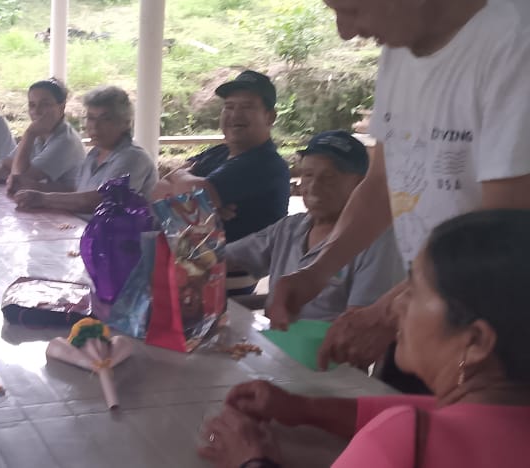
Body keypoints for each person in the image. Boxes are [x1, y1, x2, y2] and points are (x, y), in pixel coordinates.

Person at [266, 0, 530, 386]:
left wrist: (385, 313)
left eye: (351, 8)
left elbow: (502, 235)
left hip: (493, 341)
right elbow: (383, 182)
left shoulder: (516, 44)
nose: (345, 31)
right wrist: (317, 271)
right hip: (424, 313)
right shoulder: (401, 44)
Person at [198, 209, 530, 468]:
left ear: (475, 341)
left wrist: (251, 460)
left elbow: (409, 423)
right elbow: (423, 408)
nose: (395, 306)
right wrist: (303, 408)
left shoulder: (404, 439)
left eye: (413, 290)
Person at [224, 131, 404, 321]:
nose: (314, 186)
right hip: (276, 337)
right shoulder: (289, 228)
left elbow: (362, 324)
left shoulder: (377, 242)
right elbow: (223, 258)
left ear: (360, 185)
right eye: (308, 175)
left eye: (330, 177)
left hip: (331, 340)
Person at [152, 70, 291, 295]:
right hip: (188, 265)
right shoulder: (219, 152)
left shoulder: (264, 163)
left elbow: (195, 192)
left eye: (247, 106)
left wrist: (189, 190)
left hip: (220, 281)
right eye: (229, 106)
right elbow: (156, 189)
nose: (235, 114)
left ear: (270, 117)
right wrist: (192, 200)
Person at [12, 85, 157, 214]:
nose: (95, 126)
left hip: (121, 235)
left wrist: (43, 198)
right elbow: (78, 193)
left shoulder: (133, 157)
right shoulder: (94, 155)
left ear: (126, 123)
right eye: (91, 118)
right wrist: (36, 188)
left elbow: (100, 200)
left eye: (105, 119)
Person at [0, 78, 85, 193]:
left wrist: (29, 134)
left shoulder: (65, 141)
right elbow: (7, 165)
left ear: (62, 107)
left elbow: (18, 179)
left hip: (64, 205)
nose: (37, 111)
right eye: (32, 105)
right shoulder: (40, 133)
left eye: (45, 105)